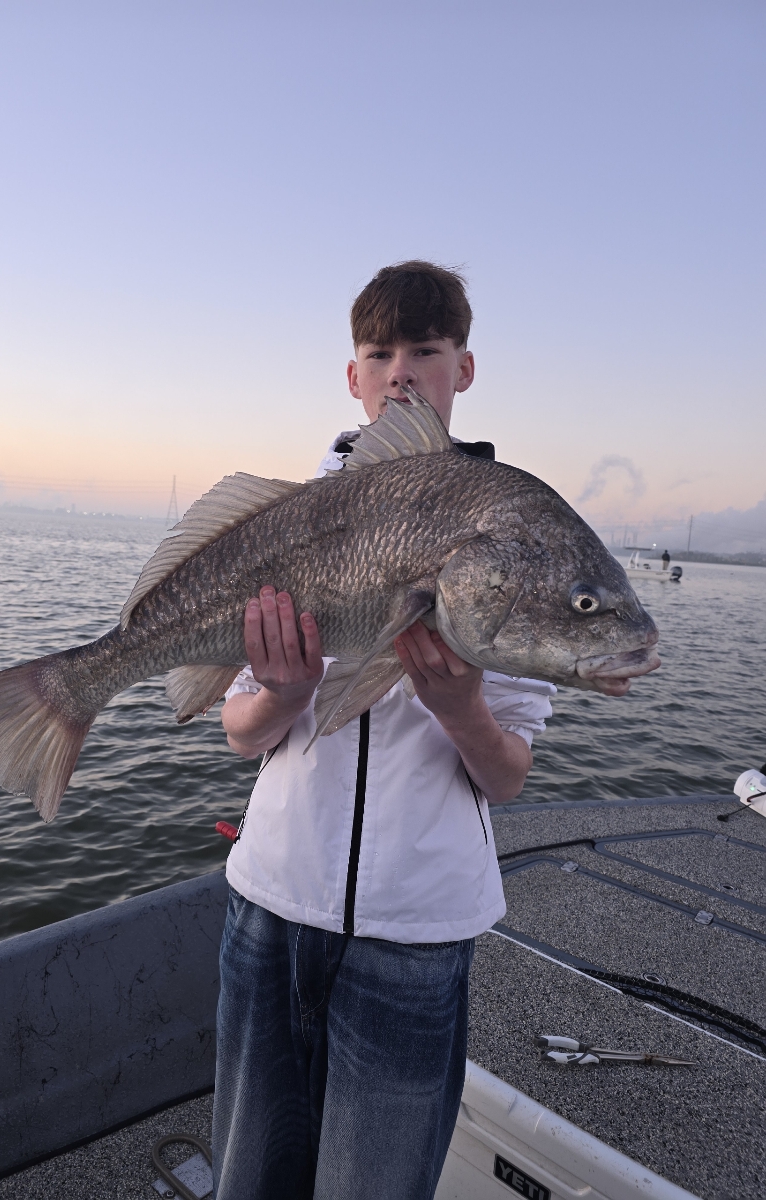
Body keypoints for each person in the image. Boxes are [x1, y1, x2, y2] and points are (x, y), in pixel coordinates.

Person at [212, 261, 555, 1199]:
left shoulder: (512, 531)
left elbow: (510, 775)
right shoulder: (288, 523)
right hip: (271, 905)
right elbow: (243, 733)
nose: (402, 371)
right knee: (249, 1177)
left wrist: (460, 707)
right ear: (354, 377)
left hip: (417, 931)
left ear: (464, 369)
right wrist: (286, 691)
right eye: (381, 353)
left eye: (426, 351)